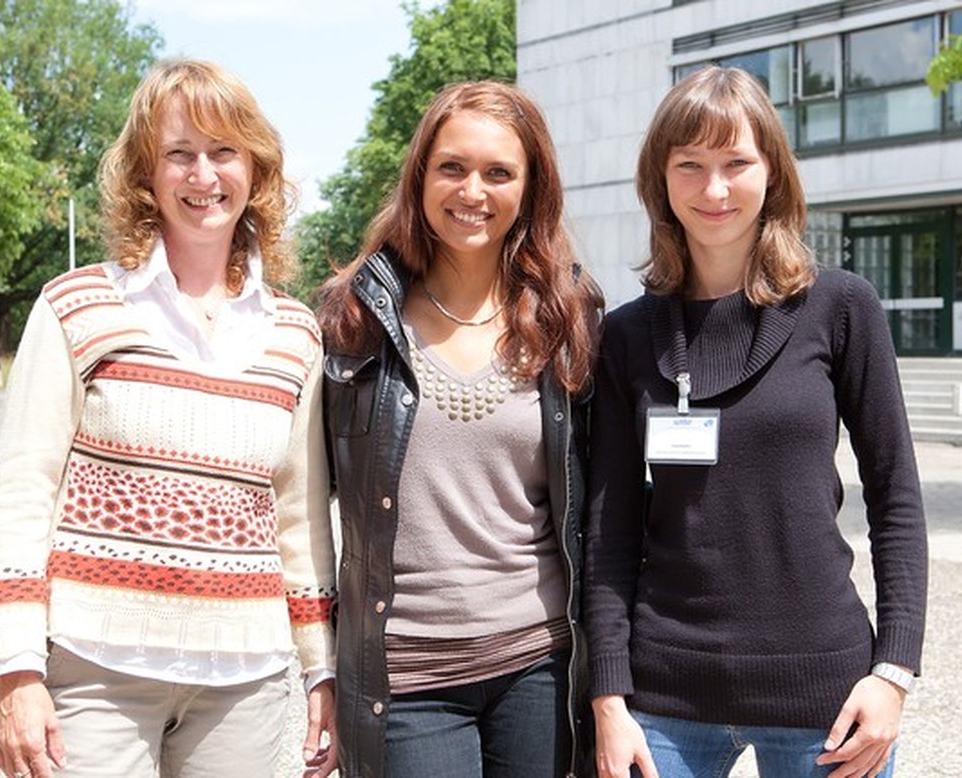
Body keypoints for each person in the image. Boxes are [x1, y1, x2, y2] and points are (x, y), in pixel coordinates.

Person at [0, 59, 337, 778]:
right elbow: (22, 495)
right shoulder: (75, 306)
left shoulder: (296, 333)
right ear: (146, 174)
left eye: (223, 152)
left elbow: (299, 520)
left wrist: (319, 670)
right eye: (180, 154)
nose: (203, 175)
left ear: (256, 170)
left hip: (246, 681)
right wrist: (15, 672)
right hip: (94, 671)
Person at [584, 66, 928, 778]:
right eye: (691, 166)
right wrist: (608, 699)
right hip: (664, 698)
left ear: (772, 171)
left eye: (736, 163)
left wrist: (892, 671)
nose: (714, 190)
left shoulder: (841, 308)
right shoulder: (626, 334)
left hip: (825, 695)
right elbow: (609, 530)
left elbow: (895, 497)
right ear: (661, 180)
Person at [316, 80, 601, 778]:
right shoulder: (356, 316)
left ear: (531, 190)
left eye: (499, 172)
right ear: (420, 176)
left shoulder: (570, 316)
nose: (473, 190)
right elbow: (300, 503)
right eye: (453, 167)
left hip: (538, 661)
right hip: (406, 674)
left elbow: (598, 503)